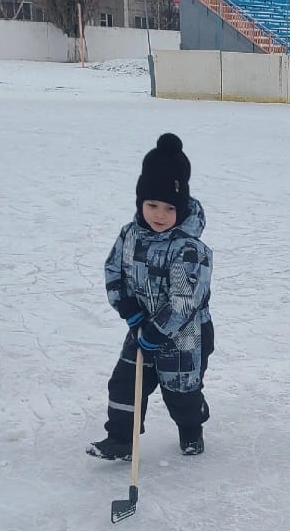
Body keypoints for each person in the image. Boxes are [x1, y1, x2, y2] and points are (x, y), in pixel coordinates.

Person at [90, 134, 214, 461]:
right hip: (140, 326)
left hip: (185, 337)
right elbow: (113, 271)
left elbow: (184, 301)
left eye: (169, 208)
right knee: (124, 385)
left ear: (181, 208)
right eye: (152, 205)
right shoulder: (130, 235)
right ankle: (120, 439)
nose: (159, 214)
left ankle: (192, 429)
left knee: (181, 394)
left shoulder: (191, 249)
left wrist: (156, 333)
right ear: (140, 203)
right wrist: (130, 312)